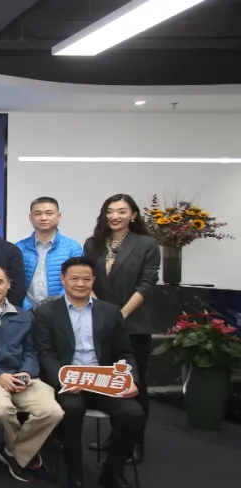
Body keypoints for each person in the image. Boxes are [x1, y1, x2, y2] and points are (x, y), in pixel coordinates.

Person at [35, 256, 145, 488]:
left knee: (134, 414)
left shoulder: (110, 312)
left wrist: (132, 379)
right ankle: (74, 475)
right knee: (71, 411)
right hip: (69, 381)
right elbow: (45, 353)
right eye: (74, 278)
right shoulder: (46, 312)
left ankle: (112, 473)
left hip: (103, 381)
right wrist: (62, 380)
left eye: (86, 279)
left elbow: (124, 352)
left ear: (94, 280)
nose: (80, 284)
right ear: (63, 280)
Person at [0, 265, 63, 483]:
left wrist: (27, 372)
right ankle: (22, 453)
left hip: (23, 377)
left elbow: (31, 351)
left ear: (9, 285)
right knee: (0, 410)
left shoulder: (24, 315)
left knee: (53, 411)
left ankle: (14, 452)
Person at [83, 194, 160, 463]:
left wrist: (120, 315)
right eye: (110, 211)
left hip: (134, 324)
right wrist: (101, 312)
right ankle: (115, 437)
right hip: (101, 322)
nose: (115, 216)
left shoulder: (147, 244)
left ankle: (135, 442)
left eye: (122, 211)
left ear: (133, 215)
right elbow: (86, 280)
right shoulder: (93, 243)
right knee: (109, 381)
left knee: (134, 382)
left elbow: (147, 284)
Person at [15, 197, 83, 309]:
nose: (43, 218)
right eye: (38, 214)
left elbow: (75, 281)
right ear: (30, 218)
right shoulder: (19, 247)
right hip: (26, 311)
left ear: (59, 216)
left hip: (61, 310)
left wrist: (53, 308)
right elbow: (15, 283)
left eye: (49, 213)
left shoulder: (73, 248)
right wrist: (28, 308)